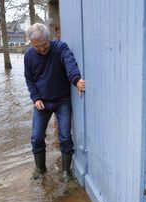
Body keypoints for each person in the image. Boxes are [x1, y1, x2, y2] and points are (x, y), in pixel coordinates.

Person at [24, 23, 86, 180]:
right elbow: (29, 79)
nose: (42, 49)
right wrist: (35, 98)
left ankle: (66, 171)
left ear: (48, 37)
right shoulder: (29, 56)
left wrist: (76, 80)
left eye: (44, 45)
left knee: (65, 137)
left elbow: (70, 64)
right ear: (32, 44)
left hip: (62, 100)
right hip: (41, 103)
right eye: (37, 47)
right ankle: (41, 169)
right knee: (36, 137)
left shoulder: (60, 48)